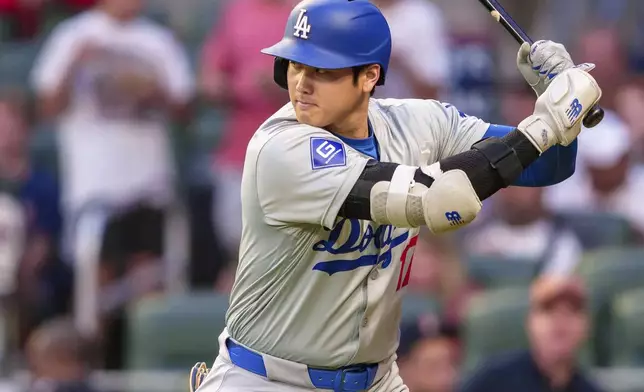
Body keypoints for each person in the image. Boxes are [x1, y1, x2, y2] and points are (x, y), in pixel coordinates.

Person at [191, 1, 601, 391]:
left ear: (369, 76)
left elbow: (550, 167)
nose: (302, 83)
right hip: (267, 379)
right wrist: (545, 126)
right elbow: (442, 199)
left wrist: (557, 103)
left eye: (322, 69)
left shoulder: (418, 123)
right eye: (295, 64)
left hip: (377, 379)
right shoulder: (279, 150)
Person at [458, 274, 605, 392]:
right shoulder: (492, 380)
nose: (560, 320)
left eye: (572, 311)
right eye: (549, 310)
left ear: (587, 326)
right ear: (530, 323)